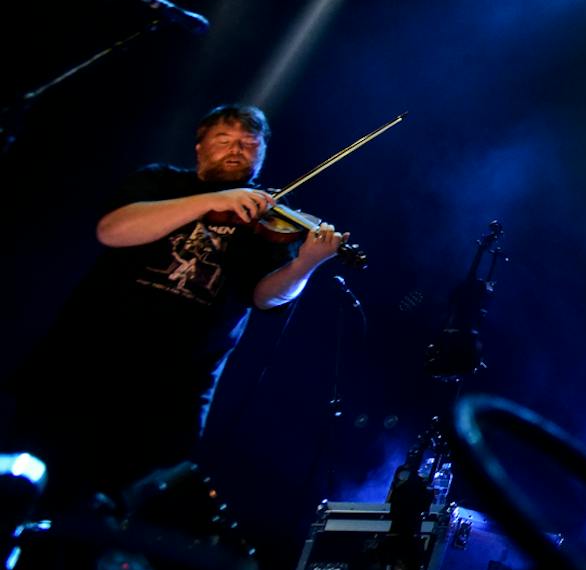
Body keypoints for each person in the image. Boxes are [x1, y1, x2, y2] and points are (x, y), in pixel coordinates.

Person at [5, 104, 347, 504]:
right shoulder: (160, 182)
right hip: (81, 369)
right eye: (224, 140)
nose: (236, 150)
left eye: (249, 144)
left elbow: (265, 296)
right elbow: (113, 230)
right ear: (200, 146)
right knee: (22, 494)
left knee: (110, 520)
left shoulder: (265, 220)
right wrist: (209, 201)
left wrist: (307, 264)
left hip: (170, 397)